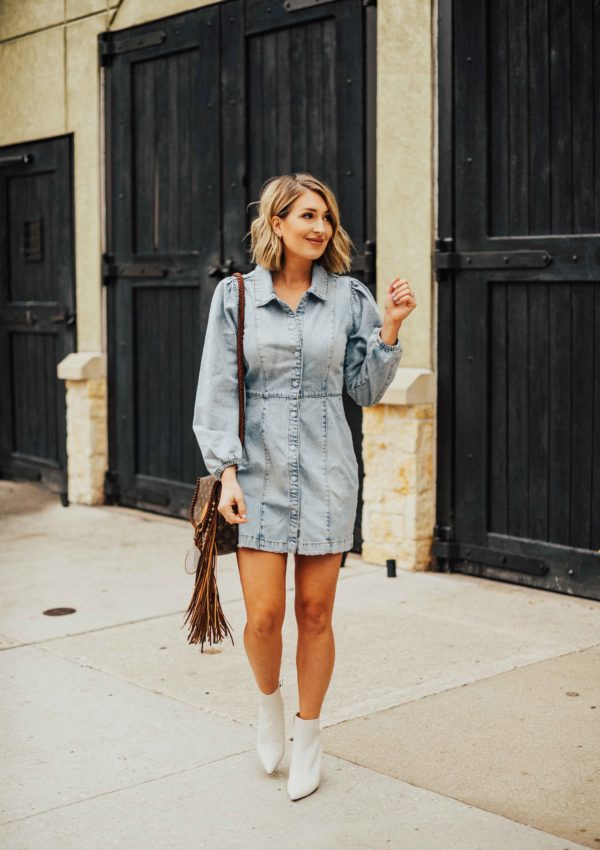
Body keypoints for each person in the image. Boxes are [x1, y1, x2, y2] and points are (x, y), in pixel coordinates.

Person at [192, 172, 416, 800]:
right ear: (277, 223)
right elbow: (218, 388)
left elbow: (365, 390)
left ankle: (310, 734)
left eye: (327, 218)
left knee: (315, 613)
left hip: (326, 471)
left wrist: (391, 329)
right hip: (255, 474)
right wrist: (226, 471)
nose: (320, 227)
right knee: (263, 618)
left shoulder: (349, 297)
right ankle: (270, 708)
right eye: (307, 216)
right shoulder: (235, 297)